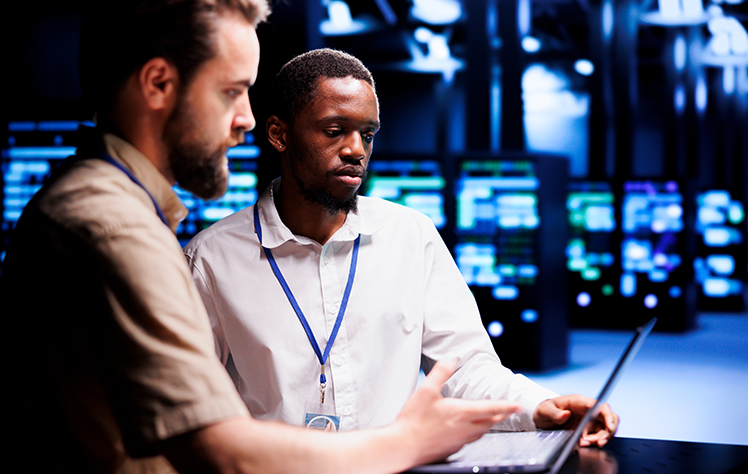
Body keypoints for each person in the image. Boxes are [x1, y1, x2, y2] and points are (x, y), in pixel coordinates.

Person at [0, 3, 523, 473]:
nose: (245, 120)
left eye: (367, 134)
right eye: (231, 91)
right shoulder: (118, 229)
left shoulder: (96, 206)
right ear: (158, 84)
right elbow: (220, 451)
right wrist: (405, 443)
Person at [184, 48, 619, 445]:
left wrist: (541, 406)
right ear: (279, 134)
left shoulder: (412, 236)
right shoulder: (212, 259)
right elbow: (191, 405)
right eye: (334, 131)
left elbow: (464, 367)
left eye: (367, 135)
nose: (355, 150)